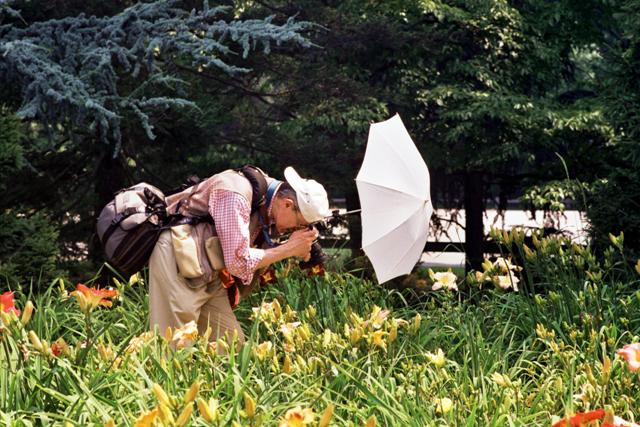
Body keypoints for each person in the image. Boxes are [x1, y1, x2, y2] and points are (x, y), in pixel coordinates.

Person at [148, 165, 330, 348]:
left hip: (208, 267)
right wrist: (289, 249)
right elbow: (238, 262)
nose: (296, 231)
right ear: (288, 204)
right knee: (174, 345)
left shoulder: (267, 204)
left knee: (230, 346)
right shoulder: (235, 194)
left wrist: (290, 247)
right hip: (179, 257)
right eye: (300, 225)